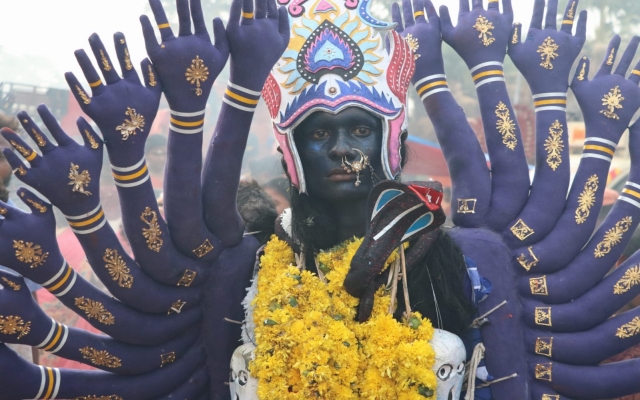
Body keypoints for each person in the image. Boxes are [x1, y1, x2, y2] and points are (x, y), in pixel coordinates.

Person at [2, 0, 640, 399]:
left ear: (389, 143)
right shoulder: (242, 268)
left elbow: (570, 359)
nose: (341, 150)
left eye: (359, 129)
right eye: (320, 134)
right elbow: (138, 344)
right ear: (290, 154)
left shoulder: (468, 258)